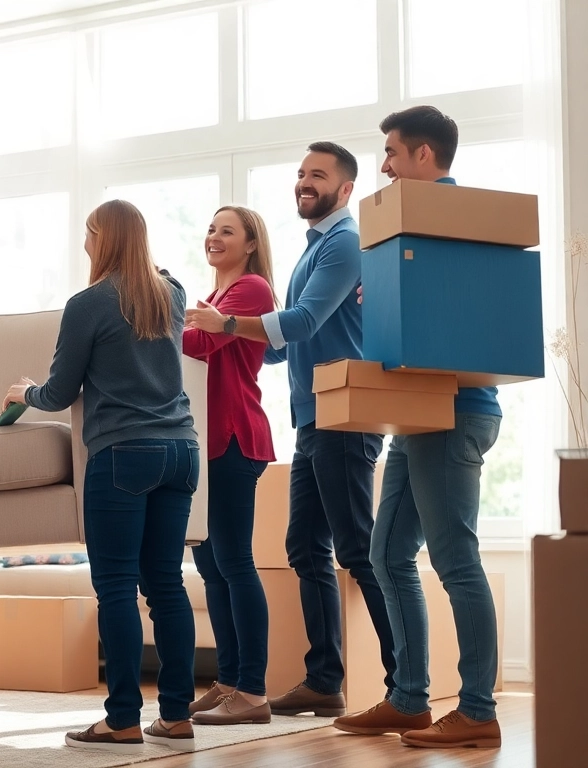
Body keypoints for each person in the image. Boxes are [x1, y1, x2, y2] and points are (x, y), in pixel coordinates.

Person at [185, 143, 395, 718]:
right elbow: (285, 344)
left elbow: (300, 322)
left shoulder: (344, 243)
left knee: (355, 548)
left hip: (344, 414)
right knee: (305, 548)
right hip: (312, 417)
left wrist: (226, 322)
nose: (305, 182)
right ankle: (325, 680)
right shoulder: (313, 250)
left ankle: (403, 686)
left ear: (345, 188)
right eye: (301, 173)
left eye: (318, 175)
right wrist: (241, 333)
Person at [333, 106, 503, 750]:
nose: (383, 165)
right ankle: (409, 699)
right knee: (386, 553)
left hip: (457, 410)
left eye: (392, 153)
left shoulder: (456, 224)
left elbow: (467, 311)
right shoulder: (410, 231)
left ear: (425, 157)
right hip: (417, 412)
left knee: (456, 559)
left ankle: (479, 709)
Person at [5, 199, 199, 754]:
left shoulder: (88, 303)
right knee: (164, 584)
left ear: (104, 238)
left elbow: (61, 390)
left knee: (115, 585)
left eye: (89, 234)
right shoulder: (173, 292)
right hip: (181, 451)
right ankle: (178, 714)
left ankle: (121, 719)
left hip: (123, 454)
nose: (85, 244)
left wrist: (24, 394)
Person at [181, 206, 278, 725]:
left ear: (250, 243)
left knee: (234, 561)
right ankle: (231, 681)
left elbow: (198, 343)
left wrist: (159, 323)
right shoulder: (213, 298)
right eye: (211, 227)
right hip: (208, 440)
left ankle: (254, 692)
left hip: (236, 436)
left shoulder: (252, 289)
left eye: (227, 230)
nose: (214, 236)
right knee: (211, 564)